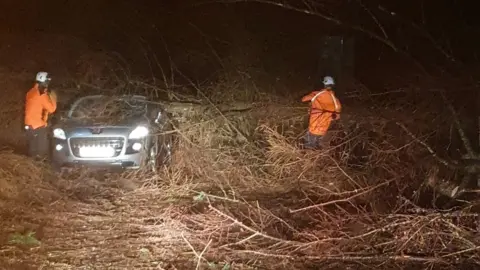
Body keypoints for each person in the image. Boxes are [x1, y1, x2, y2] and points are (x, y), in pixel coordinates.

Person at [301, 76, 342, 149]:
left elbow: (303, 99)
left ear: (324, 84)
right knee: (317, 147)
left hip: (313, 127)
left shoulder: (316, 94)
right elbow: (337, 116)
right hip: (323, 130)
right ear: (333, 85)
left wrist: (313, 102)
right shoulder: (336, 101)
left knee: (308, 146)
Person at [24, 72, 57, 160]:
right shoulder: (41, 95)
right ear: (44, 81)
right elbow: (51, 109)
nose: (48, 83)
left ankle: (30, 169)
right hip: (37, 125)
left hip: (28, 124)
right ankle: (39, 169)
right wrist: (53, 97)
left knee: (32, 150)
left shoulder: (30, 92)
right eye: (47, 81)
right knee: (42, 151)